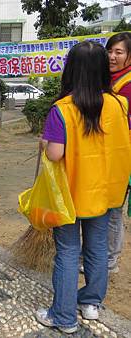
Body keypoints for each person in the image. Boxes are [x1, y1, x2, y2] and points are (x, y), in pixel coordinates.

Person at [35, 41, 131, 334]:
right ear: (103, 68)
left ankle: (63, 317)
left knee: (66, 250)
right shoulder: (119, 104)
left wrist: (45, 142)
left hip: (71, 193)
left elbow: (55, 154)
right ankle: (90, 303)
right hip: (104, 192)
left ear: (71, 70)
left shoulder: (62, 109)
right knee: (98, 247)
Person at [105, 32, 131, 274]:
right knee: (102, 205)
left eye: (119, 52)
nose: (112, 56)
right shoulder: (109, 79)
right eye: (110, 51)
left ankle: (110, 258)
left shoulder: (128, 84)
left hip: (122, 155)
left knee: (113, 208)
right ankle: (99, 253)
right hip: (105, 153)